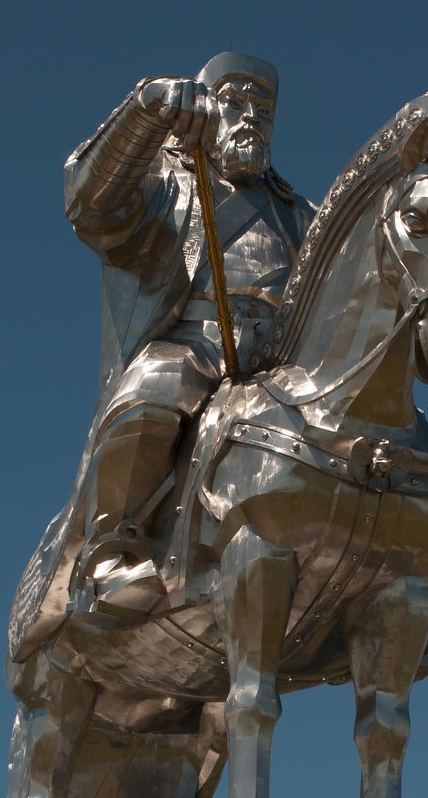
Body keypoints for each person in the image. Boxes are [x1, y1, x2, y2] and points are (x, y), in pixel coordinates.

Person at [56, 52, 316, 611]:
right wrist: (146, 112)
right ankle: (113, 546)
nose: (250, 118)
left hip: (280, 360)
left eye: (263, 111)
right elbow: (90, 205)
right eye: (236, 104)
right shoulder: (169, 184)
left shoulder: (299, 212)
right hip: (195, 343)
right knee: (157, 385)